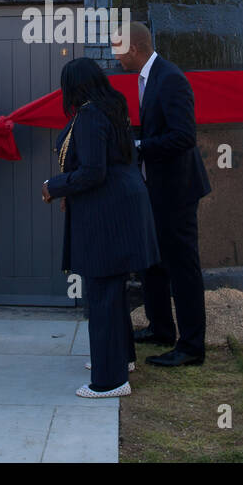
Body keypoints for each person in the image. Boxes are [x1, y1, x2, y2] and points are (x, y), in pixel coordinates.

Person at [43, 57, 159, 398]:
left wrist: (55, 186)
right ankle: (119, 358)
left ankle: (110, 380)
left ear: (74, 86)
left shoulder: (91, 114)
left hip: (107, 210)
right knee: (111, 288)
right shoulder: (110, 108)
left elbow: (94, 171)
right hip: (119, 204)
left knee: (103, 290)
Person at [115, 21, 211, 367]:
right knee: (152, 263)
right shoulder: (146, 78)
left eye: (118, 48)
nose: (115, 55)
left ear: (135, 49)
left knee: (182, 267)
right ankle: (160, 328)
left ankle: (191, 346)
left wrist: (138, 146)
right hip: (153, 189)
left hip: (177, 191)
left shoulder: (170, 79)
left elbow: (184, 136)